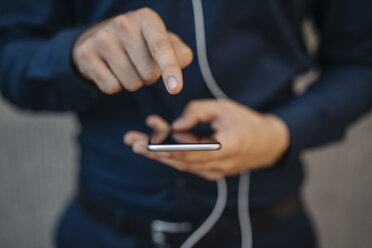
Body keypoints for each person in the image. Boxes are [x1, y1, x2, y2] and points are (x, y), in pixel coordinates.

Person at [0, 0, 371, 247]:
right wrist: (77, 52)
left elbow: (362, 58)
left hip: (270, 228)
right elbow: (11, 50)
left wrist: (281, 132)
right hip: (101, 228)